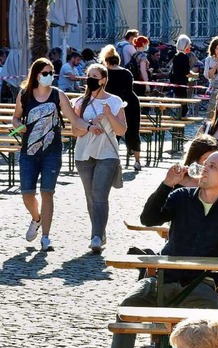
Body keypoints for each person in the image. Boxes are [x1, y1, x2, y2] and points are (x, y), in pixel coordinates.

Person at [86, 151, 218, 348]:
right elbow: (148, 218)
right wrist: (167, 183)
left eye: (212, 166)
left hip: (200, 285)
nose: (204, 168)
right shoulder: (181, 196)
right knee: (127, 309)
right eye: (204, 164)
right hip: (163, 279)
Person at [12, 58, 101, 251]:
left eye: (51, 72)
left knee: (47, 193)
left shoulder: (58, 95)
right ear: (36, 75)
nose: (49, 76)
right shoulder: (24, 95)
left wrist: (89, 126)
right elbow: (16, 118)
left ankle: (45, 237)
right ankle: (36, 219)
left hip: (52, 152)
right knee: (27, 194)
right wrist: (18, 126)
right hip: (28, 152)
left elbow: (73, 119)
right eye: (46, 73)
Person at [72, 64, 127, 252]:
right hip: (83, 153)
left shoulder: (115, 101)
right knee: (90, 196)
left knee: (100, 194)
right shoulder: (80, 102)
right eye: (88, 75)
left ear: (103, 79)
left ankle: (96, 236)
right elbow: (74, 131)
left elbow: (121, 130)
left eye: (94, 76)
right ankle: (99, 231)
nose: (90, 79)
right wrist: (89, 124)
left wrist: (109, 115)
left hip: (107, 153)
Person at [101, 44, 143, 172]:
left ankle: (113, 159)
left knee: (112, 132)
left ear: (106, 61)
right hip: (130, 102)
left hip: (113, 104)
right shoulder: (126, 73)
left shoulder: (105, 73)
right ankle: (137, 161)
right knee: (133, 131)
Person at [171, 34, 197, 118]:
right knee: (183, 106)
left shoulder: (176, 56)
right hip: (182, 83)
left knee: (179, 102)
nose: (190, 46)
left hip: (176, 82)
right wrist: (194, 75)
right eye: (189, 44)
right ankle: (180, 119)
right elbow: (186, 72)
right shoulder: (184, 57)